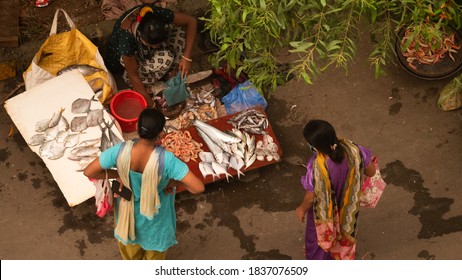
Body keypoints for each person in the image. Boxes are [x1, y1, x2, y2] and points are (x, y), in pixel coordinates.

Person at [84, 108, 204, 260]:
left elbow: (90, 172)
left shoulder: (119, 151)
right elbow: (198, 187)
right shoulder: (167, 160)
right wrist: (170, 183)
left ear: (136, 127)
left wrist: (121, 174)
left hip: (127, 218)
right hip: (155, 223)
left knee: (132, 255)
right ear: (160, 134)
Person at [295, 120, 376, 260]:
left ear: (314, 147)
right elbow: (371, 172)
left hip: (324, 212)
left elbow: (311, 197)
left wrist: (301, 209)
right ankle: (340, 257)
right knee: (345, 231)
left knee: (319, 237)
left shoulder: (315, 168)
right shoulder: (355, 150)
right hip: (347, 207)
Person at [105, 2, 197, 107]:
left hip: (146, 46)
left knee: (181, 33)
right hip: (127, 63)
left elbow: (191, 21)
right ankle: (146, 84)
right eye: (151, 45)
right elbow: (133, 75)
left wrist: (186, 57)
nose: (156, 47)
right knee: (167, 58)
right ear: (140, 34)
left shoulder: (154, 14)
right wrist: (150, 104)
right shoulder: (126, 39)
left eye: (157, 44)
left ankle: (172, 70)